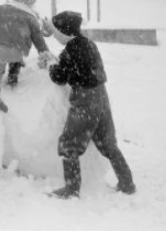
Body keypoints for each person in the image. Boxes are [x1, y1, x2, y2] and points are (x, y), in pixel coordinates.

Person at [43, 11, 135, 199]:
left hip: (85, 100)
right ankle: (127, 183)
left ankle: (71, 188)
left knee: (70, 143)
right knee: (108, 143)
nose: (55, 36)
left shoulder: (71, 50)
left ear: (65, 33)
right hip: (101, 96)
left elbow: (59, 77)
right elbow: (77, 67)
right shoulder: (88, 44)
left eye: (56, 32)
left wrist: (49, 65)